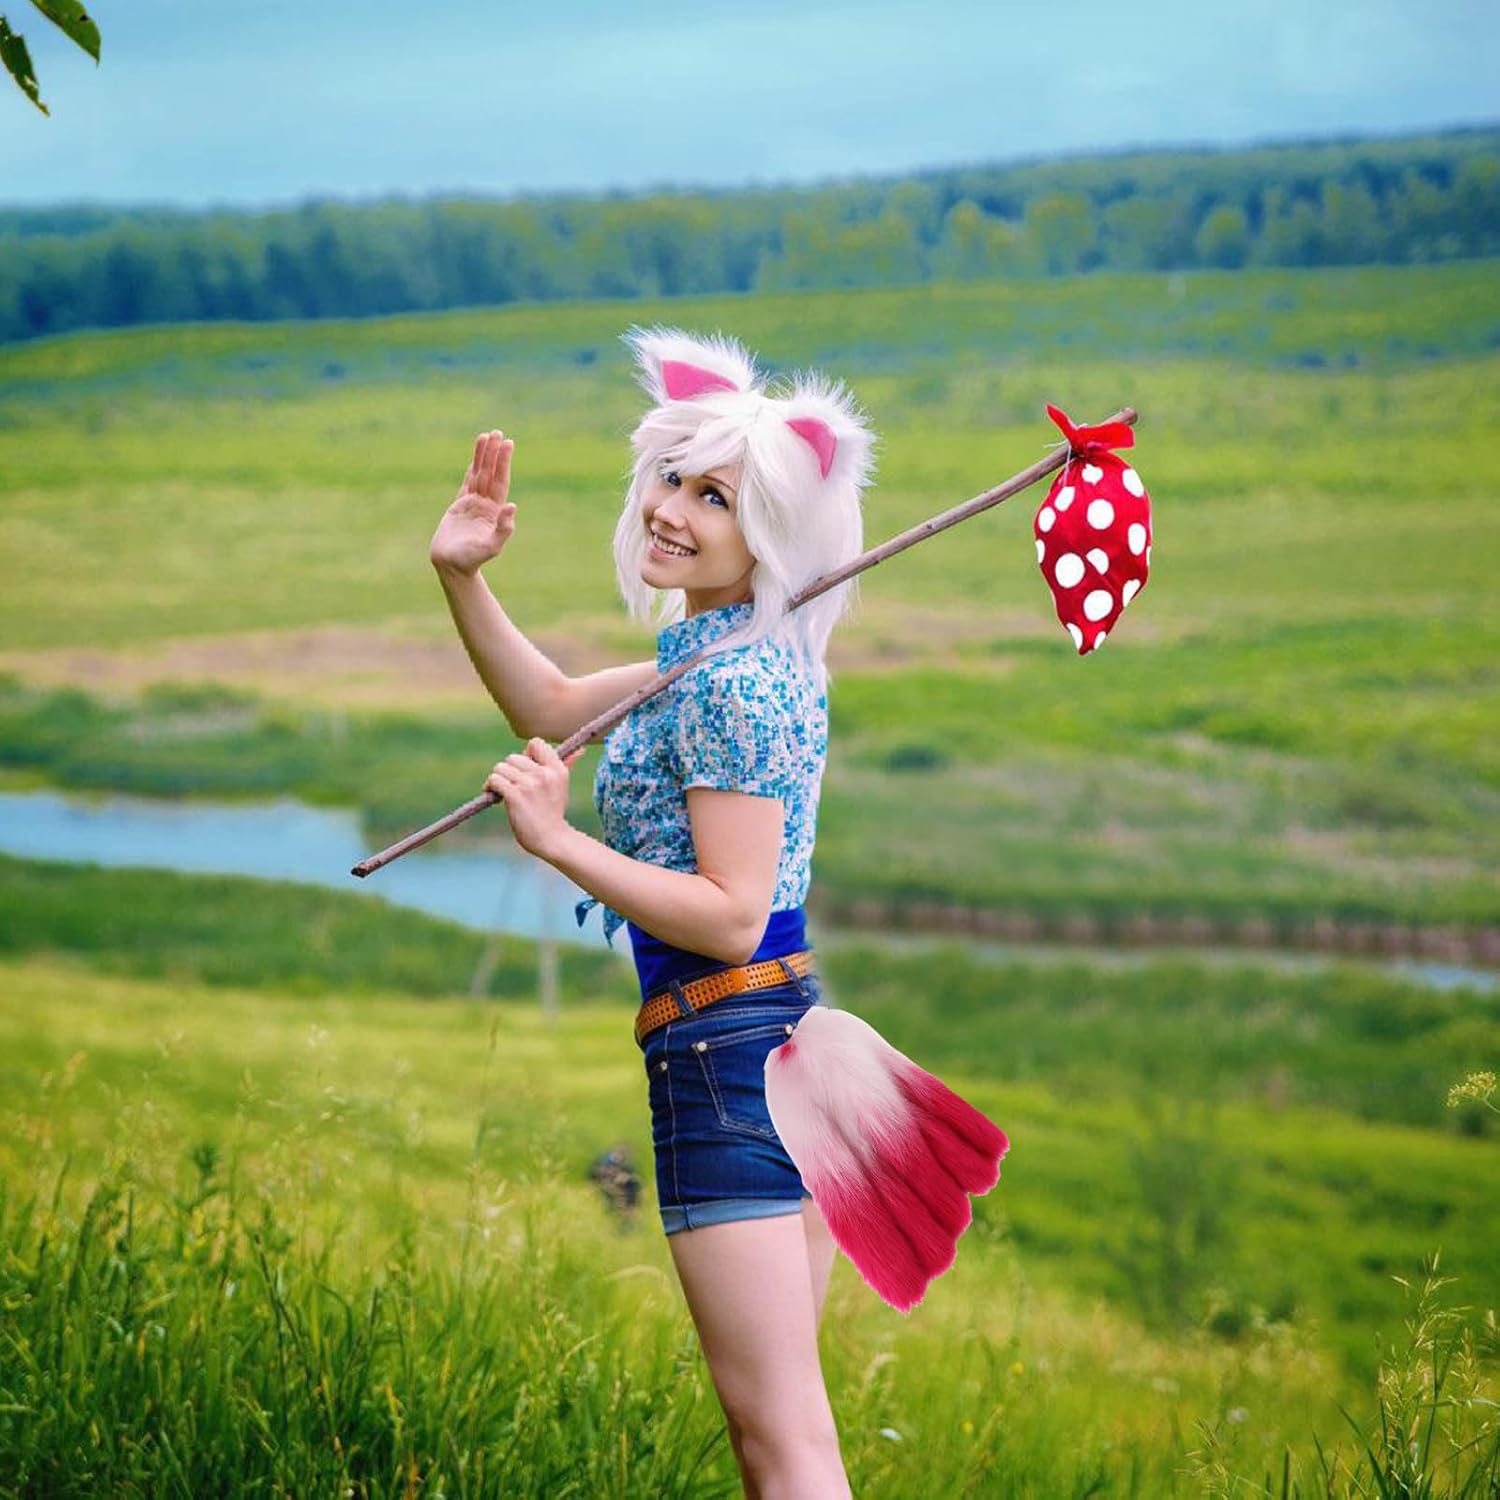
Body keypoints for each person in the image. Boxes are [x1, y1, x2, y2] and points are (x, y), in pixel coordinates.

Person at [429, 325, 874, 1499]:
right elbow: (552, 705)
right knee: (788, 1437)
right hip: (777, 1044)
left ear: (769, 530)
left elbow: (729, 916)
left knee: (783, 1447)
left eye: (715, 496)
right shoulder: (722, 653)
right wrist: (463, 575)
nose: (671, 509)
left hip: (728, 1054)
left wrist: (558, 841)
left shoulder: (732, 685)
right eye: (671, 476)